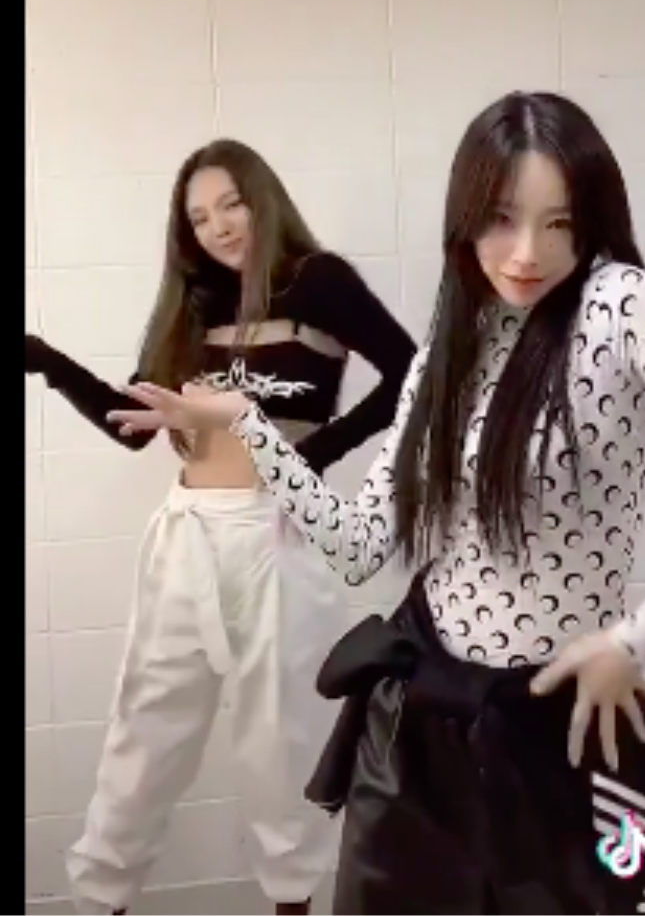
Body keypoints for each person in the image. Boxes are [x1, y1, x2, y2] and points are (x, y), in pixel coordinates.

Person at [105, 95, 645, 916]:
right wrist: (250, 426)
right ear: (465, 217)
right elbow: (360, 544)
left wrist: (633, 638)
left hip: (554, 719)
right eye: (501, 219)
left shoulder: (623, 304)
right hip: (423, 710)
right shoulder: (456, 332)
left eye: (559, 222)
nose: (527, 252)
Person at [25, 138, 416, 916]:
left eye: (231, 204)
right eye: (200, 218)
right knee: (143, 734)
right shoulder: (195, 300)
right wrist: (42, 358)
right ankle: (100, 899)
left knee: (283, 741)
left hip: (277, 537)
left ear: (261, 197)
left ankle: (292, 901)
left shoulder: (318, 281)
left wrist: (311, 456)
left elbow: (412, 372)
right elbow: (133, 424)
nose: (219, 227)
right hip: (187, 534)